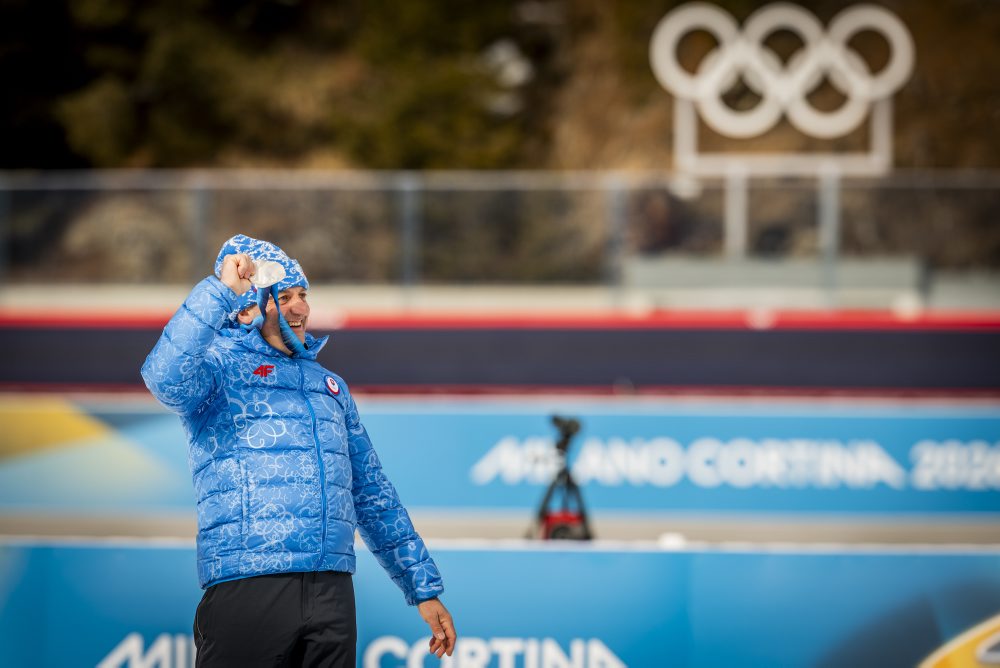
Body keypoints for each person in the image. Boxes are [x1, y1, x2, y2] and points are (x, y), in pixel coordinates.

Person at [141, 234, 456, 667]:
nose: (301, 308)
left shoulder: (329, 386)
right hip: (248, 584)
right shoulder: (217, 369)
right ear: (248, 306)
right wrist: (221, 290)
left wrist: (422, 588)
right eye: (284, 296)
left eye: (303, 295)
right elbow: (164, 377)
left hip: (331, 590)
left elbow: (370, 492)